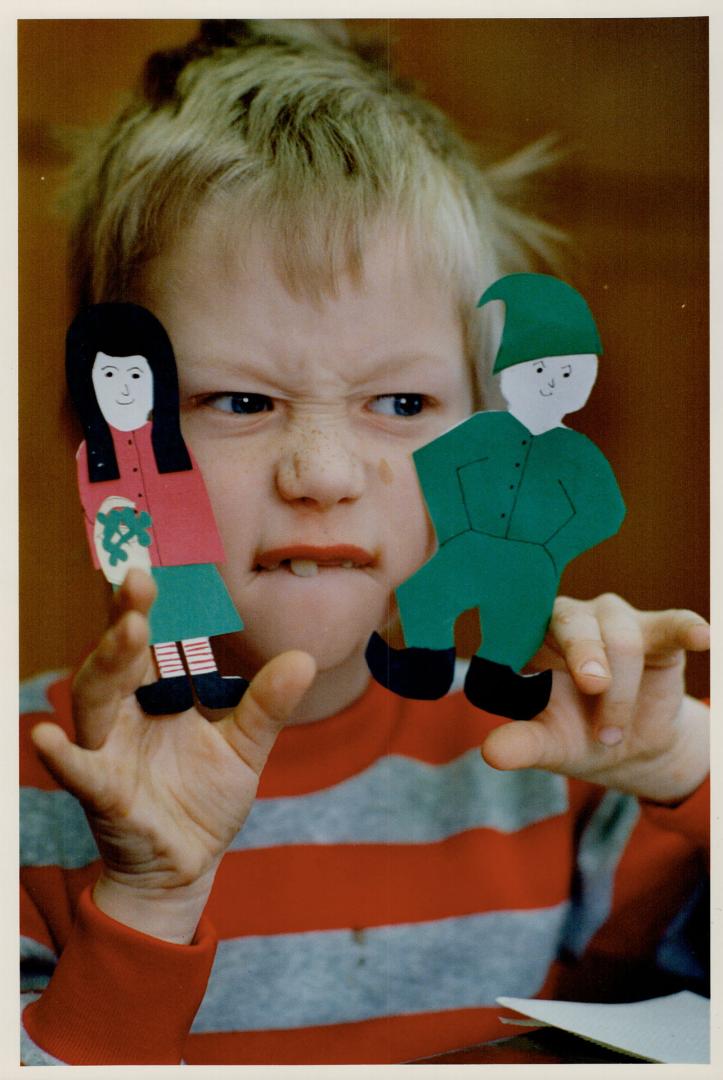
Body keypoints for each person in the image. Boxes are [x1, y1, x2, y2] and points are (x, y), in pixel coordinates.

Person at [20, 20, 709, 1066]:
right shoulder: (32, 783)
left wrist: (687, 768)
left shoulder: (545, 760)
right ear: (105, 443)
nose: (326, 474)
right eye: (241, 400)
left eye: (400, 400)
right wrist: (148, 899)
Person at [366, 273, 626, 721]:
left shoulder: (578, 454)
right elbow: (435, 466)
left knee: (517, 621)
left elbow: (605, 511)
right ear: (513, 373)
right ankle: (426, 665)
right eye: (539, 370)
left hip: (531, 562)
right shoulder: (483, 431)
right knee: (425, 592)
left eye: (566, 373)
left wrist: (553, 548)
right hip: (468, 544)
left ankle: (499, 680)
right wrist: (455, 526)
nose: (550, 383)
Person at [66, 301, 246, 714]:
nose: (124, 389)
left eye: (135, 375)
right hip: (135, 556)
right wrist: (115, 555)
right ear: (88, 382)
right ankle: (174, 682)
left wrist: (199, 545)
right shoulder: (90, 456)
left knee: (196, 615)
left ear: (155, 380)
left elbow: (192, 498)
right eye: (109, 375)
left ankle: (206, 676)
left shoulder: (171, 444)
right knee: (160, 620)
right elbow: (96, 511)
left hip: (185, 551)